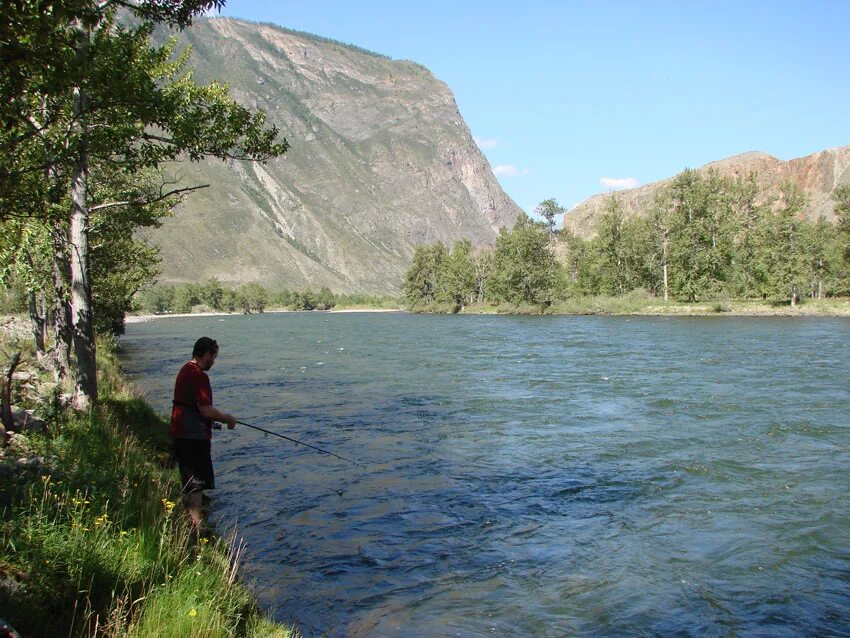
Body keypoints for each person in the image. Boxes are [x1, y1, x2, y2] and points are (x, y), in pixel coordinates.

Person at [170, 336, 236, 531]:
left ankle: (194, 520)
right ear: (206, 354)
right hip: (193, 436)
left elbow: (193, 407)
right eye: (213, 357)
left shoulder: (185, 369)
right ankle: (197, 527)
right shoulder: (199, 375)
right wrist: (227, 418)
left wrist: (211, 421)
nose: (213, 362)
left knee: (190, 479)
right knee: (195, 482)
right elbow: (206, 410)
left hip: (181, 431)